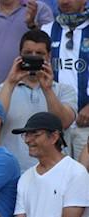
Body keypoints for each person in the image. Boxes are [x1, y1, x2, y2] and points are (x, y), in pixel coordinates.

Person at [0, 29, 77, 170]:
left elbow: (63, 123)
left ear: (49, 56)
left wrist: (48, 89)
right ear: (19, 56)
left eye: (39, 54)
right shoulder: (1, 89)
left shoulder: (64, 90)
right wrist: (10, 83)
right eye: (28, 53)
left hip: (54, 172)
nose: (33, 57)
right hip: (12, 172)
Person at [44, 0, 89, 161]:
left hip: (86, 127)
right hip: (55, 127)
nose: (65, 1)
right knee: (59, 180)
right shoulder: (47, 30)